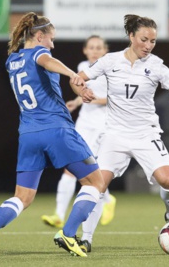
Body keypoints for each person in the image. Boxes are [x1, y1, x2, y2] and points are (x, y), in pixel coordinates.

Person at [71, 14, 169, 251]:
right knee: (97, 185)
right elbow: (77, 79)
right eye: (144, 39)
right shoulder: (109, 61)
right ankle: (86, 239)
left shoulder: (157, 66)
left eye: (153, 41)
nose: (148, 46)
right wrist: (81, 90)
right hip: (114, 135)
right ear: (131, 36)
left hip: (146, 134)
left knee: (168, 179)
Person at [0, 12, 105, 258]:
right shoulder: (40, 53)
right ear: (40, 35)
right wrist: (72, 74)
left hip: (28, 135)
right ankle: (67, 233)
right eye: (51, 39)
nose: (53, 44)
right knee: (95, 183)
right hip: (57, 130)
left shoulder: (11, 61)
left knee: (22, 197)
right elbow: (46, 60)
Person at [41, 35, 116, 253]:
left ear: (105, 50)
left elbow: (116, 98)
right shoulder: (83, 67)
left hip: (104, 126)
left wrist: (95, 99)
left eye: (98, 47)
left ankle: (105, 201)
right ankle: (58, 215)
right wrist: (76, 101)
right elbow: (79, 88)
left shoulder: (111, 69)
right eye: (91, 47)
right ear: (85, 50)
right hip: (84, 124)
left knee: (94, 176)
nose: (94, 51)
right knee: (71, 169)